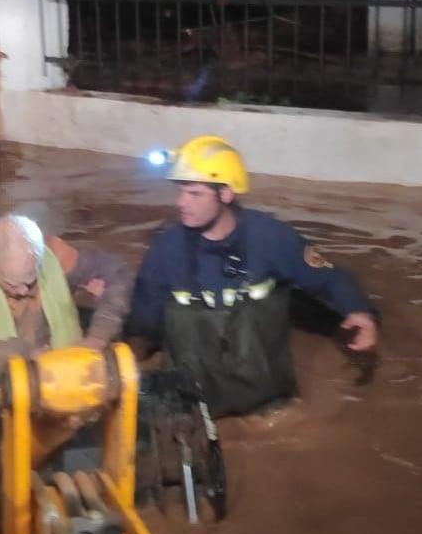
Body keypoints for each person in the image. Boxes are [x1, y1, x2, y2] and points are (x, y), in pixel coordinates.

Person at [127, 135, 378, 419]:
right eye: (180, 191)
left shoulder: (270, 237)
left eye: (194, 194)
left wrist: (359, 311)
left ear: (226, 194)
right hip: (190, 401)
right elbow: (143, 318)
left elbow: (329, 278)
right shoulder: (166, 248)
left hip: (266, 400)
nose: (181, 203)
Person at [0, 214, 134, 383]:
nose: (24, 292)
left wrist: (97, 336)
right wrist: (21, 354)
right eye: (12, 284)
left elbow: (118, 274)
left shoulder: (54, 254)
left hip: (66, 387)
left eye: (31, 280)